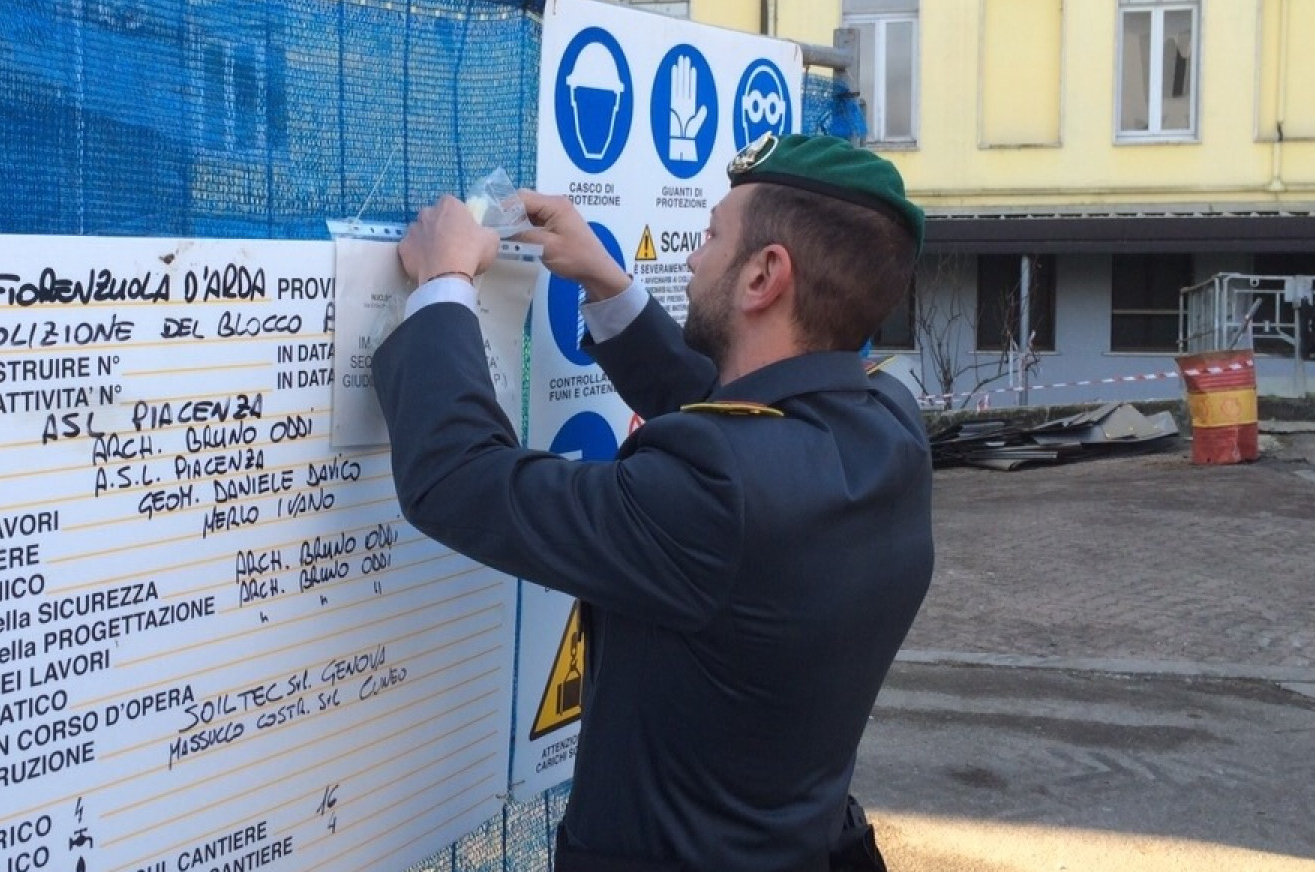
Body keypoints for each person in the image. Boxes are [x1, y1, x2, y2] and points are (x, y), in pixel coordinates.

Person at [373, 133, 935, 872]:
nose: (695, 259)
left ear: (764, 275)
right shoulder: (890, 428)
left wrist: (443, 283)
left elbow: (461, 480)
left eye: (711, 238)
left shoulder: (717, 496)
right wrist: (607, 283)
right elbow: (743, 417)